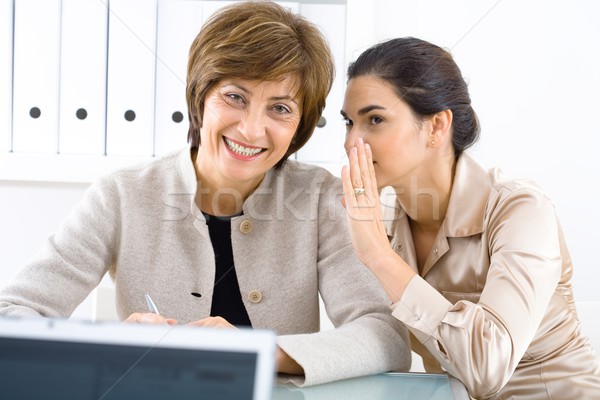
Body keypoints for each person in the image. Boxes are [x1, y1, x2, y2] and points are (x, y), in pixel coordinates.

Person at [0, 2, 411, 386]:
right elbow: (11, 318)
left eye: (280, 109)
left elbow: (385, 337)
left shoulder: (321, 199)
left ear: (301, 125)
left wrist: (262, 352)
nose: (251, 129)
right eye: (234, 97)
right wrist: (115, 344)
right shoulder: (121, 195)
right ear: (201, 96)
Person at [340, 37, 600, 399]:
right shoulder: (377, 220)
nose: (353, 142)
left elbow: (487, 368)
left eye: (375, 120)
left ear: (435, 127)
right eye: (349, 123)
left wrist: (378, 257)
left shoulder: (520, 209)